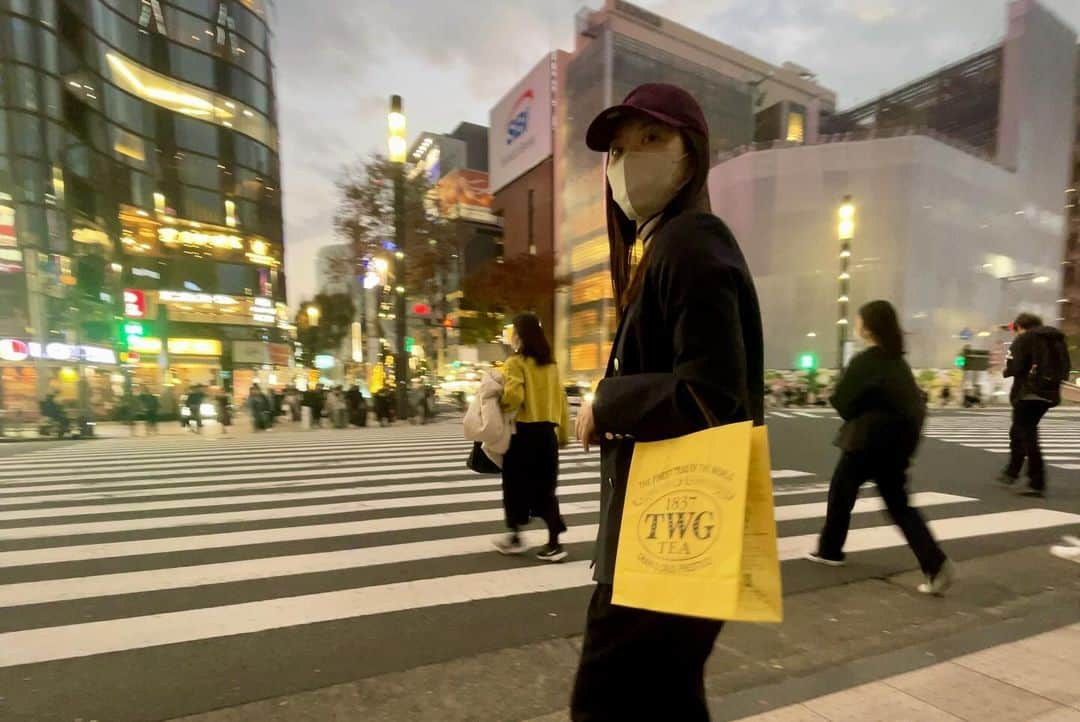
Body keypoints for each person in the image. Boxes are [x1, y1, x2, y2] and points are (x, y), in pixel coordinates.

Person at [571, 83, 764, 721]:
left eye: (653, 140)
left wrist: (609, 402)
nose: (630, 162)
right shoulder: (666, 245)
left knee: (602, 703)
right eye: (618, 151)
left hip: (666, 537)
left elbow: (713, 396)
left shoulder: (689, 241)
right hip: (682, 533)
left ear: (692, 153)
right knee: (670, 702)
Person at [807, 300, 954, 596]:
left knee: (841, 493)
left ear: (868, 327)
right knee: (900, 507)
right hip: (896, 447)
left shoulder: (866, 361)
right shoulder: (898, 364)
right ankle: (935, 563)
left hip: (865, 443)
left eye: (859, 320)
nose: (856, 325)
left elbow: (843, 402)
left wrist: (858, 406)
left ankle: (830, 551)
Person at [494, 313, 571, 562]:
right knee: (545, 488)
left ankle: (515, 536)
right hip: (547, 434)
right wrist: (563, 434)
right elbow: (561, 401)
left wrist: (501, 402)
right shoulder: (551, 365)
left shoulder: (516, 363)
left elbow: (514, 397)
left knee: (515, 486)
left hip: (523, 435)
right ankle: (554, 543)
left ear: (520, 334)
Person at [999, 313, 1070, 497]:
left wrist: (1006, 371)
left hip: (1028, 393)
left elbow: (1013, 366)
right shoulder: (1056, 339)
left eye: (1015, 329)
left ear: (1020, 326)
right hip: (1049, 393)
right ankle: (1011, 472)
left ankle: (1036, 482)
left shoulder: (1025, 338)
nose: (1015, 333)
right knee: (1018, 431)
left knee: (1027, 434)